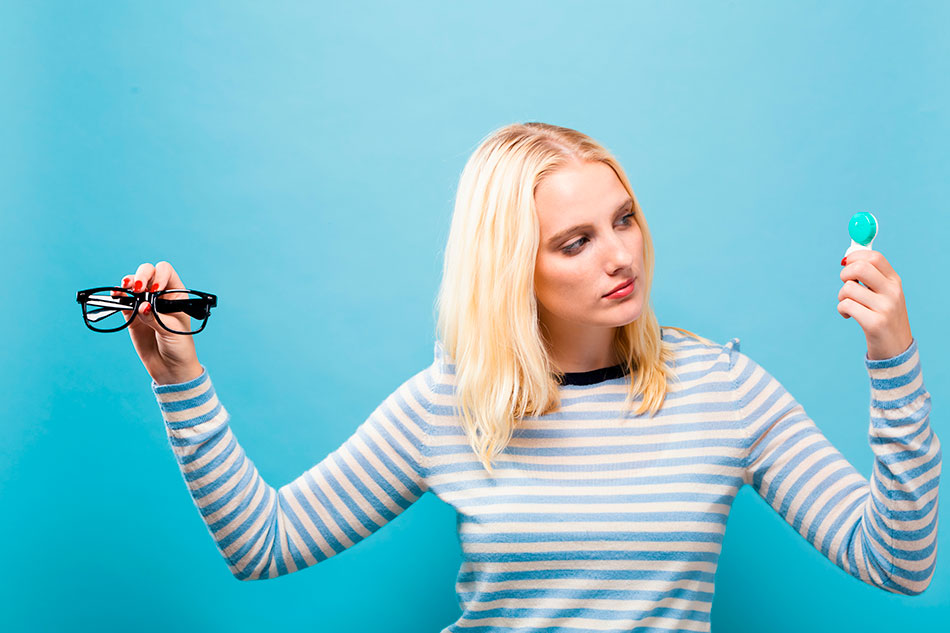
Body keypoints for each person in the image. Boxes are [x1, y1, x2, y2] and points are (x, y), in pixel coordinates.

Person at [119, 122, 939, 632]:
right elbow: (267, 543)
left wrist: (892, 360)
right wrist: (180, 380)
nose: (621, 254)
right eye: (575, 241)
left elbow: (898, 561)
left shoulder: (724, 389)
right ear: (515, 268)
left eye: (623, 220)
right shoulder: (451, 402)